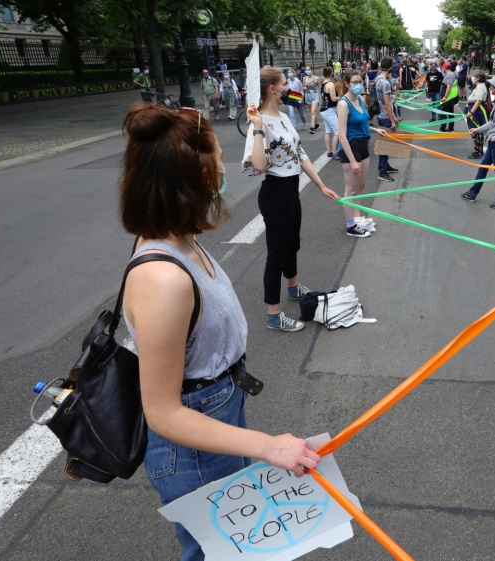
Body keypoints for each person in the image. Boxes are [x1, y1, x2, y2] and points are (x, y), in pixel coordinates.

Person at [119, 103, 320, 561]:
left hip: (218, 413)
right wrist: (269, 447)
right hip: (193, 438)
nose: (224, 173)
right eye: (216, 163)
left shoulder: (179, 238)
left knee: (237, 545)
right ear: (191, 181)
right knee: (218, 553)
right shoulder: (163, 278)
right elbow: (163, 413)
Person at [242, 66, 340, 332]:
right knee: (276, 254)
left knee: (292, 244)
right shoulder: (258, 121)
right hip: (275, 194)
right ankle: (274, 315)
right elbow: (259, 165)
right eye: (285, 84)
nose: (290, 87)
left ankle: (293, 288)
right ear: (273, 89)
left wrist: (321, 185)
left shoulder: (285, 115)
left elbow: (300, 152)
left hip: (291, 191)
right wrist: (259, 128)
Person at [336, 70, 390, 237]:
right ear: (346, 83)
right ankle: (350, 226)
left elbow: (363, 123)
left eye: (360, 81)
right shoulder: (343, 104)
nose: (358, 85)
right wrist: (352, 161)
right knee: (350, 190)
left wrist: (375, 129)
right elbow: (342, 135)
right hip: (350, 148)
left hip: (363, 145)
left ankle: (357, 217)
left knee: (361, 186)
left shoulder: (359, 99)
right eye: (354, 82)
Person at [460, 73, 495, 209]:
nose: (490, 86)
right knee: (483, 168)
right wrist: (478, 130)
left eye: (492, 85)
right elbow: (492, 122)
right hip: (493, 142)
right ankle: (472, 193)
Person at [373, 57, 400, 182]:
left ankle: (385, 165)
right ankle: (382, 170)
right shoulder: (385, 82)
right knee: (385, 144)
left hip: (380, 114)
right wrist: (393, 119)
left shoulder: (378, 78)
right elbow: (387, 103)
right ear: (390, 67)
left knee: (386, 143)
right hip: (384, 116)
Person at [465, 70, 490, 159]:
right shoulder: (479, 86)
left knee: (476, 130)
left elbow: (478, 101)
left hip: (476, 111)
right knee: (475, 130)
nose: (471, 77)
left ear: (478, 78)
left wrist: (471, 112)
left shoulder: (480, 87)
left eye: (473, 76)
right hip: (474, 110)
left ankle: (478, 150)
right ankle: (478, 149)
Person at [319, 67, 342, 161]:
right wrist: (341, 97)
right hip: (330, 110)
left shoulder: (323, 83)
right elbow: (333, 98)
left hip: (323, 109)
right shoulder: (331, 85)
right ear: (331, 74)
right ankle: (335, 152)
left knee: (328, 131)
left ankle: (329, 152)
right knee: (338, 131)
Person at [438, 61, 459, 132]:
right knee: (450, 112)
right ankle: (450, 128)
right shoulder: (452, 74)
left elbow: (449, 86)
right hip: (451, 97)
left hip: (448, 97)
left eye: (443, 67)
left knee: (443, 112)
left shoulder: (449, 75)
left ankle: (443, 128)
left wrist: (445, 96)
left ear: (445, 67)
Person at [303, 65, 321, 133]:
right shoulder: (304, 78)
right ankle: (317, 124)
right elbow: (303, 86)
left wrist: (322, 96)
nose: (307, 71)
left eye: (308, 69)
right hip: (307, 95)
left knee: (313, 111)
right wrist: (304, 88)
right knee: (312, 112)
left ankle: (312, 127)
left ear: (311, 70)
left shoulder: (316, 78)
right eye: (306, 70)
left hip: (315, 95)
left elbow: (320, 87)